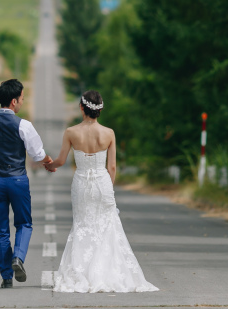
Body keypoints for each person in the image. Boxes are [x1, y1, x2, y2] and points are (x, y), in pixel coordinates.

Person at [44, 90, 158, 293]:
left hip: (81, 184)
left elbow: (61, 160)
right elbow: (111, 167)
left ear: (82, 108)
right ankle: (105, 273)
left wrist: (50, 165)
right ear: (100, 110)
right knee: (106, 227)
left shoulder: (71, 132)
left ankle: (83, 273)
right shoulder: (109, 133)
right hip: (102, 183)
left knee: (82, 225)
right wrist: (108, 188)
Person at [0, 79, 54, 289]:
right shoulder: (24, 125)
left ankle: (7, 276)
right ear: (13, 101)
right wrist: (50, 163)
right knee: (24, 223)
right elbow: (38, 154)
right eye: (22, 99)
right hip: (18, 180)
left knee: (0, 230)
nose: (22, 102)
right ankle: (18, 257)